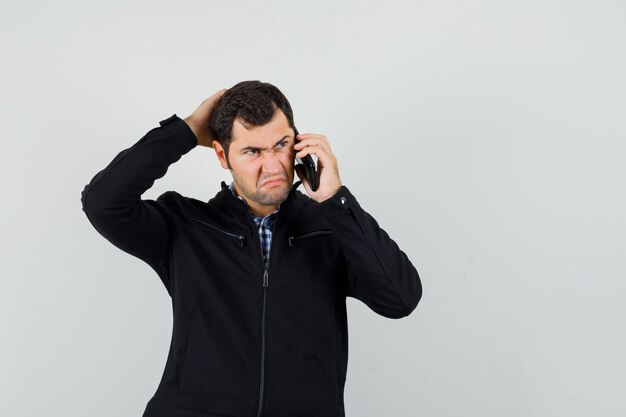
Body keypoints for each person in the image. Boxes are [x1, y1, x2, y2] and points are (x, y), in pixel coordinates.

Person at [80, 80, 422, 417]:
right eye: (252, 152)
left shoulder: (330, 229)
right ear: (221, 154)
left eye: (280, 145)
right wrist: (185, 131)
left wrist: (336, 201)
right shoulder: (185, 227)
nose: (272, 166)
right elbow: (103, 202)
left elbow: (400, 298)